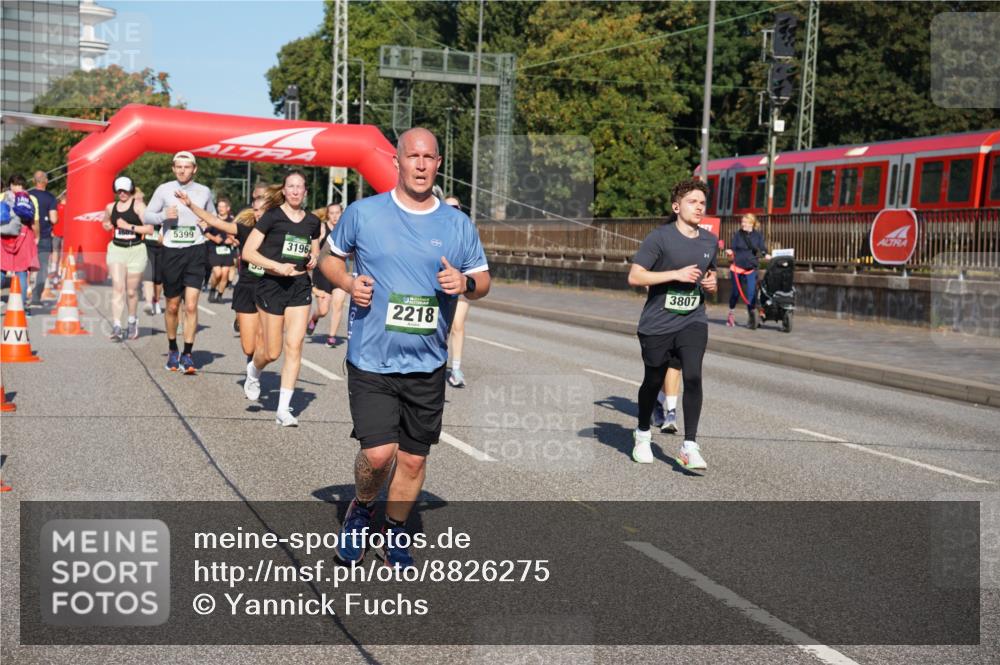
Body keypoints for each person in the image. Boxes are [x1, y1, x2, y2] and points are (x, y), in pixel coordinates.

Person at [320, 128, 490, 568]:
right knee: (379, 455)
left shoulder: (457, 224)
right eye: (411, 156)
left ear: (438, 163)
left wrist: (465, 283)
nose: (419, 164)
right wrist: (348, 282)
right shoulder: (365, 213)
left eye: (428, 157)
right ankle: (360, 510)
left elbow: (484, 280)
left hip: (427, 363)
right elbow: (329, 259)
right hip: (372, 358)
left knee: (412, 462)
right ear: (396, 161)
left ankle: (395, 532)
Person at [627, 178, 717, 471]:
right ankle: (642, 434)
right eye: (693, 201)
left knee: (693, 376)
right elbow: (636, 276)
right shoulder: (660, 238)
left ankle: (689, 446)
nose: (699, 207)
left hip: (693, 320)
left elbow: (709, 274)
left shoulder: (709, 241)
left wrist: (712, 282)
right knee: (653, 380)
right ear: (677, 206)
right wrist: (674, 274)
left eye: (702, 202)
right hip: (657, 324)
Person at [238, 171, 322, 426]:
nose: (296, 191)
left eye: (300, 187)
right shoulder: (272, 217)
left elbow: (314, 249)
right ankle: (254, 369)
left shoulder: (312, 221)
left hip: (299, 286)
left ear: (305, 192)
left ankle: (283, 410)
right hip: (272, 286)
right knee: (272, 352)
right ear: (284, 191)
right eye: (291, 186)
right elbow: (248, 253)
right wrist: (276, 266)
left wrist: (313, 260)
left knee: (294, 346)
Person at [143, 151, 216, 374]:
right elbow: (147, 216)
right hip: (171, 252)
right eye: (179, 166)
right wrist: (163, 215)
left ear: (195, 169)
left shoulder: (203, 191)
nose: (182, 170)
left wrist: (207, 224)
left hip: (196, 250)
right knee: (173, 305)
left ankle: (188, 354)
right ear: (174, 169)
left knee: (191, 305)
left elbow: (213, 217)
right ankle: (173, 348)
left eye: (187, 166)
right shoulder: (163, 189)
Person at [177, 190, 266, 365]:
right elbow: (216, 221)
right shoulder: (244, 229)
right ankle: (252, 369)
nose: (259, 214)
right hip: (248, 287)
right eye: (255, 210)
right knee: (249, 347)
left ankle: (254, 373)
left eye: (263, 209)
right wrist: (190, 205)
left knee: (264, 337)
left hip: (270, 288)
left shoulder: (279, 233)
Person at [101, 176, 151, 341]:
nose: (122, 193)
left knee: (131, 291)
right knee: (117, 288)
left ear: (131, 189)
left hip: (136, 250)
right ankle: (116, 325)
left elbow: (150, 229)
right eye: (119, 190)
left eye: (125, 190)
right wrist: (108, 225)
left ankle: (131, 320)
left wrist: (128, 226)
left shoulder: (139, 206)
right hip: (116, 250)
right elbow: (105, 221)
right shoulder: (110, 207)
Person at [442, 195, 473, 387]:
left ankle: (456, 369)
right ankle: (434, 364)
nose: (452, 210)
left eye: (456, 207)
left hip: (460, 284)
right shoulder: (434, 228)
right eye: (448, 207)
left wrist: (468, 281)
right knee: (440, 328)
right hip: (437, 286)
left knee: (457, 325)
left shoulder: (467, 231)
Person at [306, 202, 347, 347]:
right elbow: (313, 247)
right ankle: (314, 318)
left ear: (342, 213)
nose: (335, 216)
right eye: (332, 213)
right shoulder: (322, 228)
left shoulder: (346, 229)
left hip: (340, 272)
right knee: (323, 310)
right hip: (322, 272)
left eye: (338, 213)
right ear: (328, 215)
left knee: (338, 304)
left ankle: (332, 336)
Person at [1, 175, 40, 313]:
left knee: (1, 268)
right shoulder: (31, 198)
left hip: (5, 235)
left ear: (11, 184)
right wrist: (36, 237)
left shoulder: (4, 196)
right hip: (24, 235)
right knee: (22, 272)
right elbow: (34, 221)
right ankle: (21, 308)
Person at [726, 213, 770, 328]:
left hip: (751, 268)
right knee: (735, 293)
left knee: (751, 294)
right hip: (737, 268)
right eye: (742, 222)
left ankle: (752, 318)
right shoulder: (738, 234)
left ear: (751, 223)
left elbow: (762, 248)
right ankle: (731, 313)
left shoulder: (758, 236)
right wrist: (730, 252)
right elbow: (733, 247)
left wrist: (766, 254)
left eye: (745, 222)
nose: (743, 224)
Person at [28, 170, 58, 305]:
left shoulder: (27, 195)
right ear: (46, 181)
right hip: (45, 236)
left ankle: (21, 293)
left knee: (24, 266)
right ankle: (35, 297)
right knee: (43, 267)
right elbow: (54, 218)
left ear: (34, 181)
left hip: (27, 236)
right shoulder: (51, 198)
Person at [204, 196, 236, 304]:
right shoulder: (213, 219)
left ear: (228, 208)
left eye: (223, 207)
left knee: (225, 273)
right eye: (219, 206)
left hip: (227, 250)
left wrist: (231, 240)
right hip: (214, 249)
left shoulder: (232, 220)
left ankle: (220, 296)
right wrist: (214, 238)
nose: (220, 208)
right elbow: (206, 232)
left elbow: (236, 234)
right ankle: (212, 290)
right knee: (217, 273)